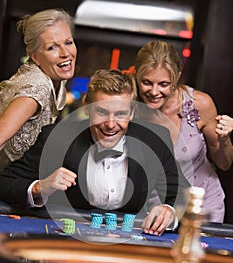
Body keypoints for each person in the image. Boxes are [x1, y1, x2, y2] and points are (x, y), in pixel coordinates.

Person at [0, 69, 189, 236]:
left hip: (125, 244)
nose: (110, 124)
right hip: (67, 243)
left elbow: (184, 195)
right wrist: (40, 188)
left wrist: (169, 211)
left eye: (121, 114)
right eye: (102, 112)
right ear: (86, 107)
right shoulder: (58, 138)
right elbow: (5, 182)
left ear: (132, 113)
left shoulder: (154, 141)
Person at [134, 40, 233, 223]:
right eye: (147, 82)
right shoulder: (131, 109)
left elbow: (224, 163)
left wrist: (225, 139)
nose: (154, 92)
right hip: (154, 210)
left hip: (200, 208)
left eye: (163, 84)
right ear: (136, 76)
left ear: (177, 77)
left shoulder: (200, 105)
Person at [0, 9, 77, 171]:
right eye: (52, 48)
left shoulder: (55, 76)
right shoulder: (37, 89)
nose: (65, 53)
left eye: (68, 42)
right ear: (34, 57)